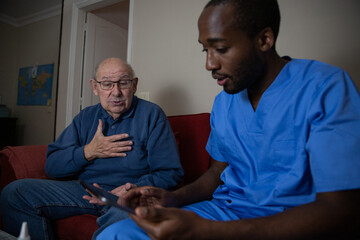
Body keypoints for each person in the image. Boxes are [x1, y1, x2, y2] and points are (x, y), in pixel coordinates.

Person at [96, 1, 360, 239]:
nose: (210, 64)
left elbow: (340, 209)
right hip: (225, 212)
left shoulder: (324, 87)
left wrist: (207, 231)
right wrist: (172, 198)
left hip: (291, 221)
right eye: (205, 50)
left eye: (220, 48)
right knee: (118, 233)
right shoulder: (225, 101)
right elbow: (216, 173)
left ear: (264, 40)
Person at [0, 57, 184, 240]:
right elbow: (53, 166)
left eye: (123, 83)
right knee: (15, 193)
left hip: (127, 197)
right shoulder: (86, 116)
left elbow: (171, 173)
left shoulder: (152, 114)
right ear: (95, 87)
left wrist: (134, 188)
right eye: (107, 84)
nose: (116, 92)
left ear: (134, 85)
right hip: (84, 191)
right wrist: (89, 151)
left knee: (124, 221)